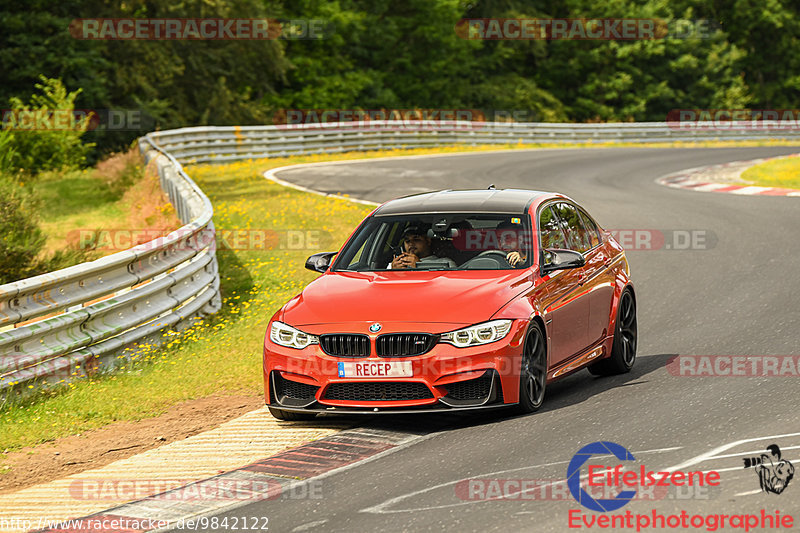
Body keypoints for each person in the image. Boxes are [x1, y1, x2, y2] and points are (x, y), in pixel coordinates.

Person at [389, 224, 456, 269]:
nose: (411, 243)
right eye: (407, 240)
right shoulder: (397, 264)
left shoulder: (446, 263)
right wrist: (393, 272)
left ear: (428, 241)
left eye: (416, 239)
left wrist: (419, 267)